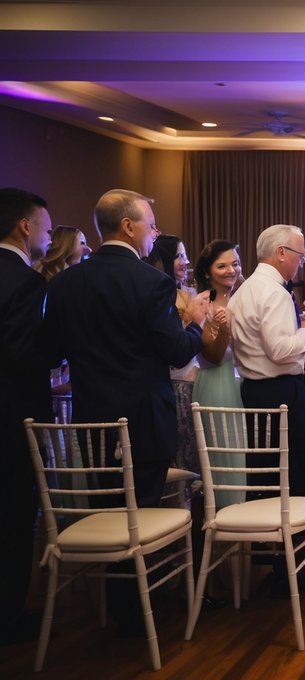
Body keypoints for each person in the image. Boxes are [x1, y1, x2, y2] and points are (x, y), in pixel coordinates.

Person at [42, 189, 207, 633]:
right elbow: (176, 351)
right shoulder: (151, 282)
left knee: (109, 509)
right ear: (129, 226)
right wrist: (194, 323)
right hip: (143, 417)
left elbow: (52, 352)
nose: (155, 233)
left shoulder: (64, 283)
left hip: (92, 417)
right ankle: (141, 608)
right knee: (143, 511)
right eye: (151, 225)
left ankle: (119, 606)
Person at [228, 225, 305, 499]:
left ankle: (262, 524)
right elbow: (279, 350)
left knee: (262, 470)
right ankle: (297, 524)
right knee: (295, 469)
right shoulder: (275, 293)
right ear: (281, 252)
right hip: (282, 394)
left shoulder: (243, 291)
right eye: (300, 256)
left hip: (252, 391)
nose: (301, 263)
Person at [0, 188, 53, 645]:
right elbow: (23, 353)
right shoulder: (26, 282)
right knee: (16, 516)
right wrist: (57, 351)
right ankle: (10, 617)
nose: (49, 236)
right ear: (24, 226)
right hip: (14, 416)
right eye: (46, 227)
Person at [146, 234, 202, 481]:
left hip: (189, 376)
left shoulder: (185, 292)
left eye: (185, 255)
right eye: (179, 256)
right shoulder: (160, 291)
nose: (185, 261)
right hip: (172, 381)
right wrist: (193, 321)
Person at [191, 239, 242, 506]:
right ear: (207, 271)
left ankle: (243, 512)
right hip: (215, 384)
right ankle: (223, 511)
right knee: (224, 452)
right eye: (222, 266)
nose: (231, 270)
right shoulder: (202, 303)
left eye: (235, 264)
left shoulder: (242, 299)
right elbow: (212, 357)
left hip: (242, 383)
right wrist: (223, 329)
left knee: (243, 450)